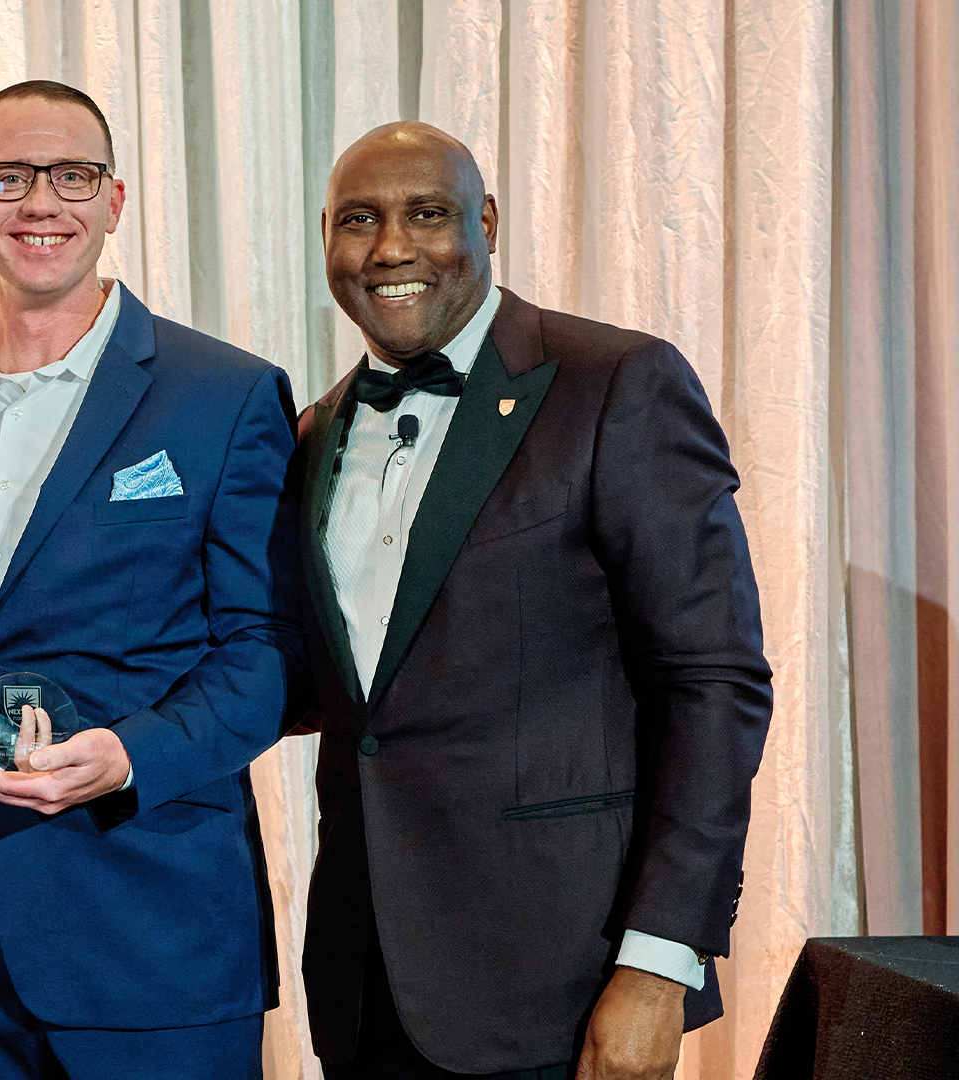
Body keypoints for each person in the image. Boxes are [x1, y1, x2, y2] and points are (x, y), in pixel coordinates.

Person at [294, 121, 774, 1080]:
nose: (391, 248)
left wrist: (660, 963)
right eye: (361, 220)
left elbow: (711, 681)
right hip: (363, 986)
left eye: (427, 214)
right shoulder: (314, 430)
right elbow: (321, 689)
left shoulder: (616, 383)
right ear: (327, 240)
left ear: (488, 222)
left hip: (566, 984)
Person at [0, 80, 305, 1079]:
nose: (41, 203)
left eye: (72, 175)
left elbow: (268, 653)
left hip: (149, 922)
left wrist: (129, 756)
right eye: (9, 176)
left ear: (115, 201)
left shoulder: (225, 394)